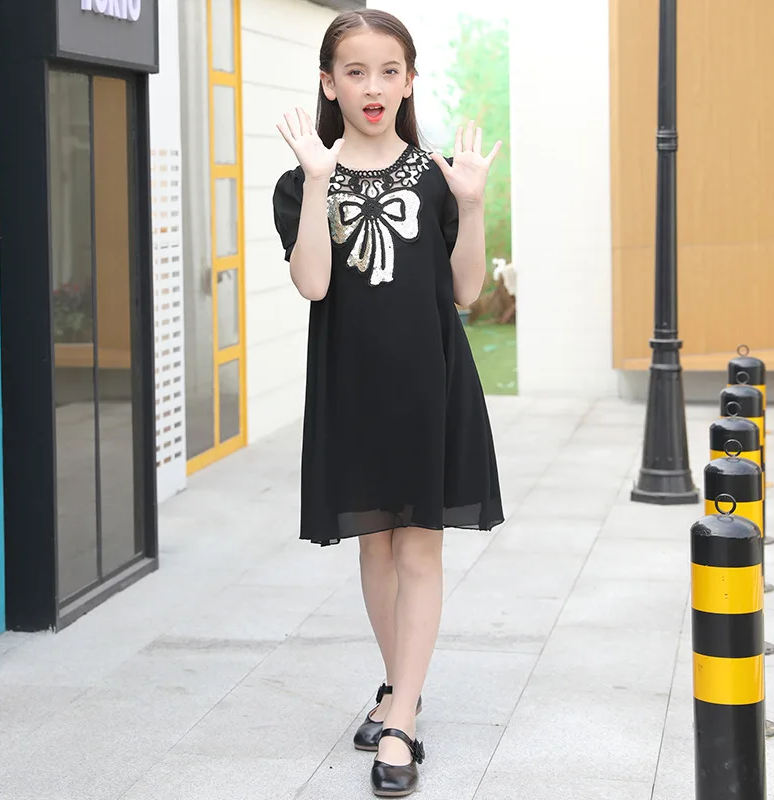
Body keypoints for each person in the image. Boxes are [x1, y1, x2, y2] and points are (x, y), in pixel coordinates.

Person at [272, 9, 504, 797]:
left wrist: (473, 204)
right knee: (374, 548)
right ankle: (401, 685)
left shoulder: (438, 177)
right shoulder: (301, 180)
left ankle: (400, 717)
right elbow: (313, 283)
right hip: (351, 389)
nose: (372, 87)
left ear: (409, 82)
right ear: (329, 83)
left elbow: (466, 292)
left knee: (419, 549)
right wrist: (316, 183)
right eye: (355, 71)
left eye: (388, 71)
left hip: (430, 384)